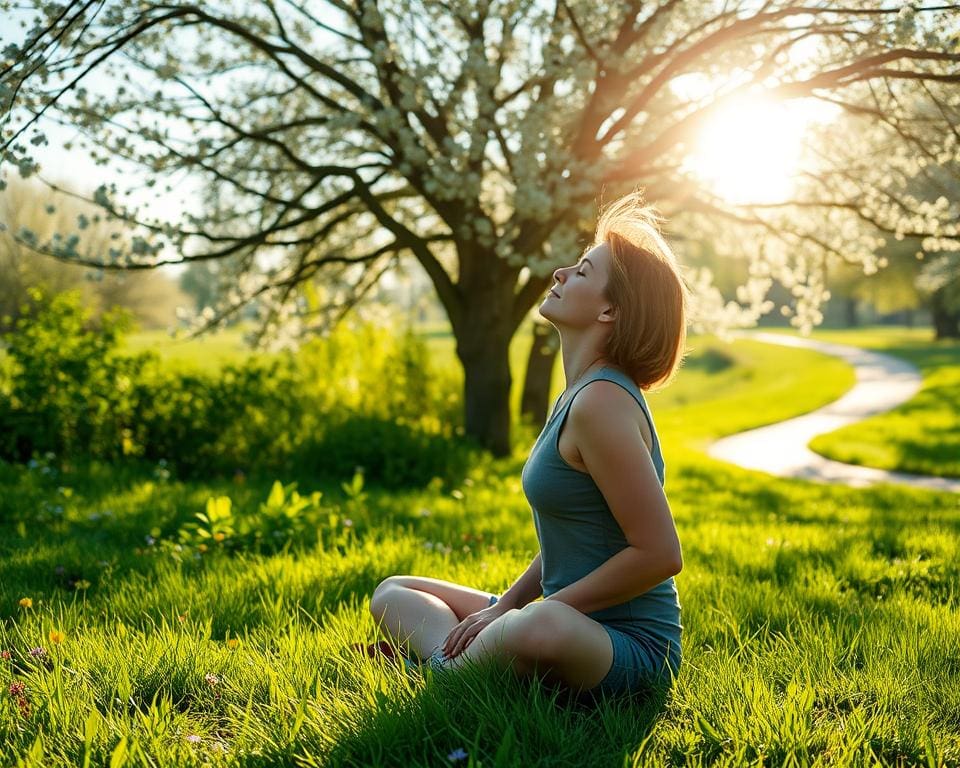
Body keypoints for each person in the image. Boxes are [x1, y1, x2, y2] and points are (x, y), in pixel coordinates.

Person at [367, 190, 688, 699]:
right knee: (395, 592)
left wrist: (537, 610)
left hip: (625, 646)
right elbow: (568, 538)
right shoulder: (578, 394)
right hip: (559, 614)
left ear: (610, 311)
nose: (560, 272)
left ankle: (446, 671)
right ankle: (457, 658)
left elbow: (659, 553)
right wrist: (504, 605)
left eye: (583, 271)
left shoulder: (602, 403)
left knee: (540, 628)